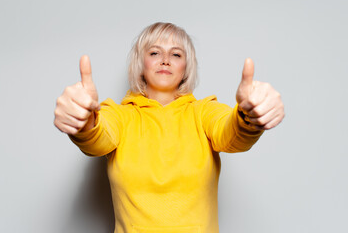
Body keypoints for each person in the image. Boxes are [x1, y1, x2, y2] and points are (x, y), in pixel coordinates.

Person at [54, 22, 284, 233]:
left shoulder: (204, 111)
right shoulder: (119, 115)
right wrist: (83, 122)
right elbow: (97, 139)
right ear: (140, 63)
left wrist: (250, 116)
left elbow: (232, 133)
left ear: (186, 67)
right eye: (155, 52)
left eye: (176, 54)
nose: (165, 59)